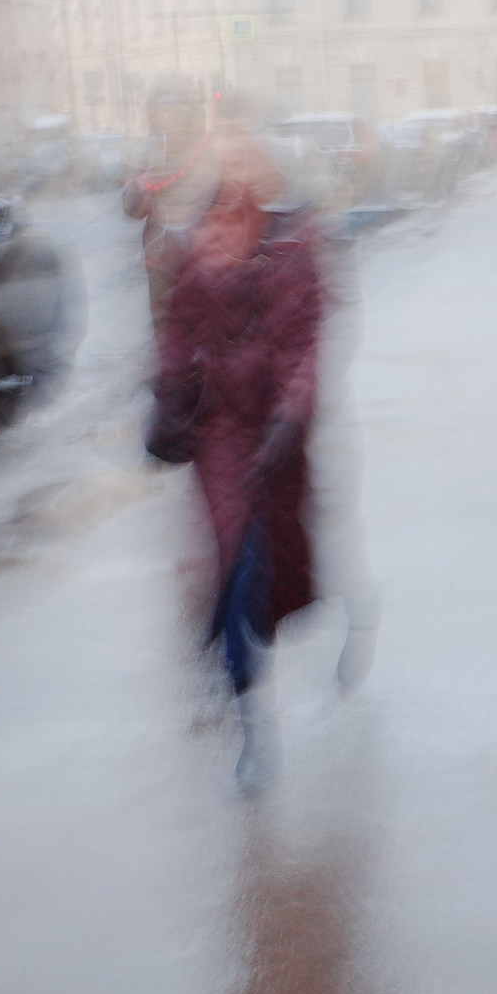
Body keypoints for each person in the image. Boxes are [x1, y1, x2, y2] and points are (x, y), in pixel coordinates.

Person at [149, 131, 332, 788]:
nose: (239, 173)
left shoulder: (297, 243)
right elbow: (177, 330)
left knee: (268, 573)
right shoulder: (201, 237)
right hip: (218, 431)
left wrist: (290, 416)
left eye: (250, 161)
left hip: (275, 427)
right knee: (238, 566)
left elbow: (305, 344)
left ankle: (260, 646)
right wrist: (166, 399)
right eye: (229, 164)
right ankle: (252, 722)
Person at [121, 77, 216, 326]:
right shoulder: (150, 148)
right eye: (161, 104)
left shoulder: (210, 145)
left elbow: (231, 198)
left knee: (210, 324)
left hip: (209, 255)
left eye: (177, 103)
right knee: (166, 327)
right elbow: (130, 209)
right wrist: (141, 186)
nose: (170, 111)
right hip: (162, 258)